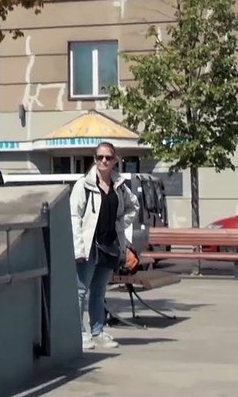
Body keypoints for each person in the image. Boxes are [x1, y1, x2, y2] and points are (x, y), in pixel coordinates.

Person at [70, 142, 139, 350]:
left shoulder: (120, 186)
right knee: (80, 291)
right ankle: (80, 334)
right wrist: (78, 248)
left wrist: (120, 224)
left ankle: (97, 331)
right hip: (89, 245)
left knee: (99, 292)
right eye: (100, 157)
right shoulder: (83, 185)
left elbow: (133, 206)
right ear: (94, 159)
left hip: (109, 244)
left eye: (108, 158)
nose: (104, 161)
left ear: (115, 160)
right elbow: (74, 216)